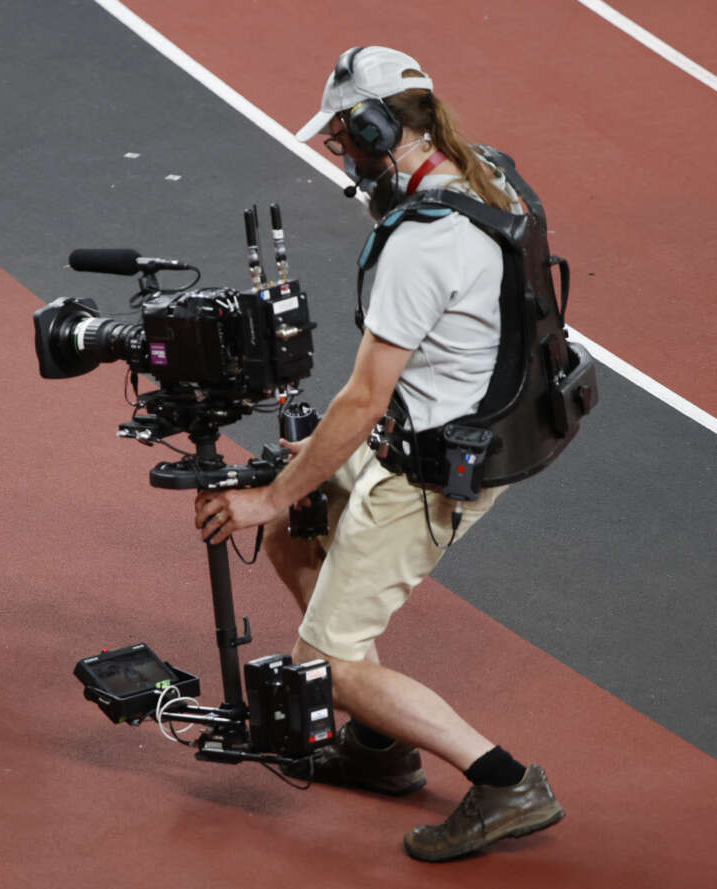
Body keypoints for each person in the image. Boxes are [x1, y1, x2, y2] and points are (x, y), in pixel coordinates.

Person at [193, 48, 564, 861]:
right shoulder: (488, 176)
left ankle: (505, 781)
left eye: (345, 139)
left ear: (376, 129)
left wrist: (266, 492)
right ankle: (380, 746)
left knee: (326, 663)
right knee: (295, 530)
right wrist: (299, 485)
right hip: (453, 425)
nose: (344, 158)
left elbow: (362, 399)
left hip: (428, 467)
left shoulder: (423, 243)